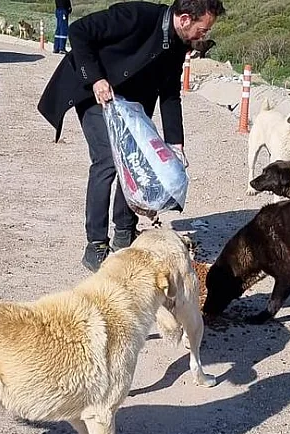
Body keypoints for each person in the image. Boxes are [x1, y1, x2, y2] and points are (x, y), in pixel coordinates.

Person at [37, 0, 224, 272]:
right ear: (185, 19)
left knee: (136, 161)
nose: (203, 36)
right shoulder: (136, 16)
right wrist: (97, 78)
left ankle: (124, 233)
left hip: (130, 104)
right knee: (109, 161)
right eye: (203, 29)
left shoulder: (179, 43)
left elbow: (170, 93)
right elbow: (78, 31)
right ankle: (96, 245)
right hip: (94, 93)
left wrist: (175, 142)